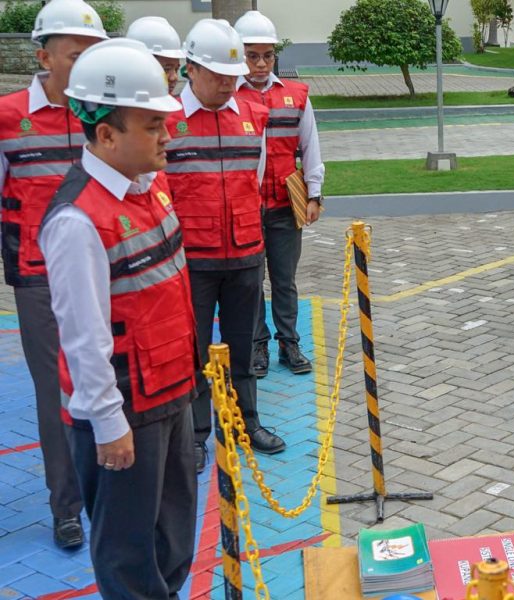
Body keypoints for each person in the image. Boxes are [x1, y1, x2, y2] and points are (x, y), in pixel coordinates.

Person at [38, 38, 197, 599]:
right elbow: (83, 338)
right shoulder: (78, 221)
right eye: (154, 125)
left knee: (174, 537)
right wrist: (109, 424)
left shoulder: (148, 189)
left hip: (171, 392)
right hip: (126, 410)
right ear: (106, 134)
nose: (168, 136)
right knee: (128, 554)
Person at [0, 0, 107, 550]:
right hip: (38, 278)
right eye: (76, 53)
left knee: (109, 379)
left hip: (109, 272)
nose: (87, 62)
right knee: (56, 393)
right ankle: (66, 506)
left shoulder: (104, 114)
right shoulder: (6, 115)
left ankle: (109, 491)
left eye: (94, 52)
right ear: (44, 56)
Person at [165, 18, 286, 474]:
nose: (226, 84)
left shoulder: (254, 115)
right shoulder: (168, 120)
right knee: (194, 351)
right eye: (216, 75)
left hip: (244, 253)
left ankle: (244, 423)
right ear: (189, 68)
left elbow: (253, 180)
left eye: (231, 76)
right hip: (191, 260)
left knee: (242, 345)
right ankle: (196, 434)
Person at [233, 10, 324, 378]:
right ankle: (257, 344)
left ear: (275, 56)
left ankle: (288, 342)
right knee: (250, 280)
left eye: (266, 55)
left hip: (286, 203)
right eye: (251, 55)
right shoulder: (229, 95)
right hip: (246, 206)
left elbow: (310, 146)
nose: (259, 63)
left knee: (284, 278)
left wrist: (314, 194)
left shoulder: (295, 95)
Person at [125, 16, 184, 95]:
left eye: (176, 69)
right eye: (166, 69)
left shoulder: (175, 105)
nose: (174, 77)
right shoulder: (119, 105)